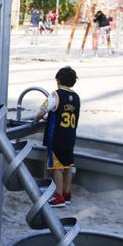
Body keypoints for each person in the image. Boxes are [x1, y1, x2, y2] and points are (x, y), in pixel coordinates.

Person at [33, 66, 80, 208]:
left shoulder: (55, 95)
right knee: (68, 166)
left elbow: (43, 110)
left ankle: (58, 196)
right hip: (70, 135)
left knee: (57, 167)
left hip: (56, 137)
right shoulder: (76, 97)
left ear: (58, 79)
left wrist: (36, 120)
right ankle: (67, 194)